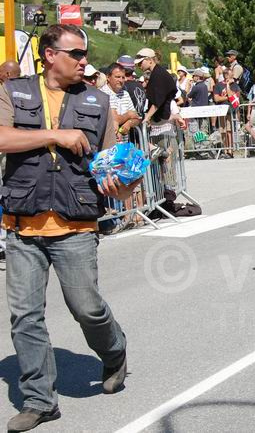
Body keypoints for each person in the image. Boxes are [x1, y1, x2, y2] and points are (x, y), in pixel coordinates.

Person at [0, 24, 138, 432]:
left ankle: (114, 351)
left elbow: (117, 167)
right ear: (49, 55)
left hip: (75, 225)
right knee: (25, 316)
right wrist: (56, 135)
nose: (83, 61)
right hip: (22, 226)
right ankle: (40, 400)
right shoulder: (13, 91)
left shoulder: (97, 100)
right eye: (75, 54)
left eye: (84, 54)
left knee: (88, 309)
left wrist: (122, 185)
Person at [101, 63, 141, 141]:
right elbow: (114, 119)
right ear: (108, 77)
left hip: (124, 143)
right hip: (108, 143)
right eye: (117, 77)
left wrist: (129, 123)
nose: (121, 80)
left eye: (123, 77)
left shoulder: (125, 94)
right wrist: (129, 114)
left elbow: (137, 118)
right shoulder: (104, 93)